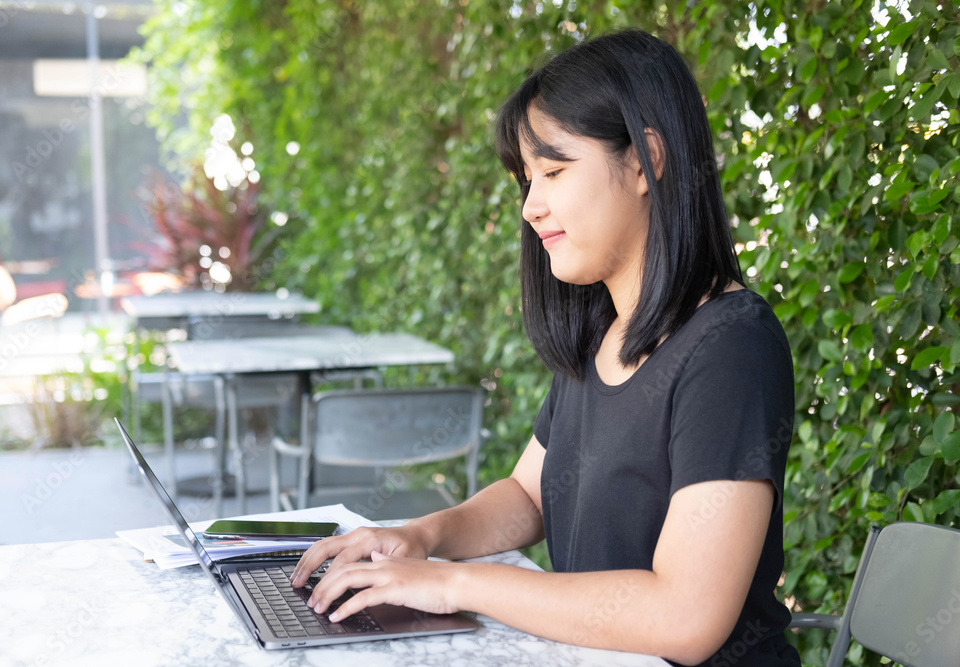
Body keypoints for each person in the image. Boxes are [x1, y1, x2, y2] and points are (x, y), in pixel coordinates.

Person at [290, 27, 802, 667]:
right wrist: (421, 538)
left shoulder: (732, 346)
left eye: (554, 171)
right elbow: (528, 495)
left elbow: (686, 616)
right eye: (526, 180)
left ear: (644, 161)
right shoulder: (604, 334)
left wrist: (453, 584)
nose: (531, 207)